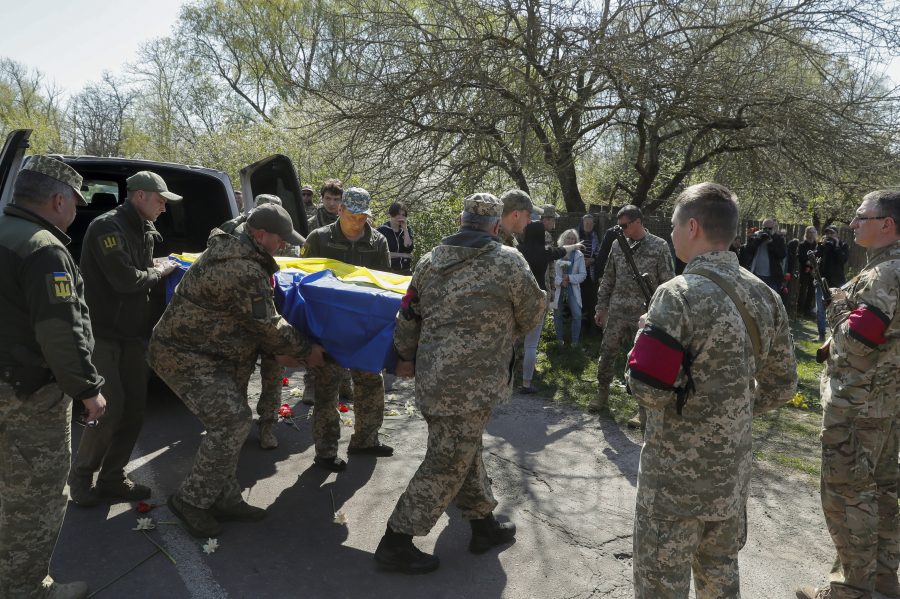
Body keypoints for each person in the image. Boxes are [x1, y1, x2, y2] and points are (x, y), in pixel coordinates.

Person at [626, 182, 797, 599]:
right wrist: (732, 408)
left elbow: (649, 393)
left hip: (673, 485)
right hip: (730, 478)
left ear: (692, 227)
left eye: (672, 225)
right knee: (720, 584)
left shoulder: (677, 294)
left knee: (659, 587)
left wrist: (640, 345)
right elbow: (784, 386)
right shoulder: (765, 295)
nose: (669, 235)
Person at [373, 193, 546, 574]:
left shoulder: (429, 261)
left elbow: (408, 316)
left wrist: (404, 356)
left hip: (435, 380)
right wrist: (506, 328)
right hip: (475, 384)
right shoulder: (508, 261)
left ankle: (483, 526)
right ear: (496, 226)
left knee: (464, 451)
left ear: (462, 221)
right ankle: (395, 541)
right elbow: (533, 312)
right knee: (447, 461)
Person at [148, 204, 325, 537]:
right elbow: (268, 325)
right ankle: (192, 500)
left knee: (232, 423)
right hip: (185, 354)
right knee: (233, 422)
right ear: (259, 235)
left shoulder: (241, 244)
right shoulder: (240, 268)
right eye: (280, 239)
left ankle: (224, 497)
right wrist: (305, 351)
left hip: (218, 352)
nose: (284, 246)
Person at [0, 156, 107, 599]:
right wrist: (87, 390)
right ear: (58, 198)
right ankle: (25, 589)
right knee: (34, 496)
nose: (76, 212)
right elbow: (60, 333)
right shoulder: (44, 248)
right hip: (26, 393)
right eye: (75, 203)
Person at [796, 190, 900, 599]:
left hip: (857, 406)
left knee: (847, 497)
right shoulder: (886, 270)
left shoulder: (883, 274)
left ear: (886, 224)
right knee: (884, 492)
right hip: (887, 405)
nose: (853, 224)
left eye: (861, 217)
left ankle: (849, 589)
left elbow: (859, 341)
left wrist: (838, 309)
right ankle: (883, 582)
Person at [69, 171, 182, 507]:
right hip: (103, 334)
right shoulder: (108, 227)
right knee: (109, 409)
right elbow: (123, 279)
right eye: (160, 200)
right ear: (140, 196)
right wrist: (158, 272)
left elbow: (139, 267)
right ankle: (81, 476)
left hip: (132, 335)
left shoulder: (143, 228)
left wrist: (155, 264)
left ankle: (112, 478)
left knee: (134, 409)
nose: (164, 207)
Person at [299, 187, 392, 471]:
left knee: (371, 385)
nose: (358, 223)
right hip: (327, 330)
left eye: (363, 217)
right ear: (339, 210)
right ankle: (325, 451)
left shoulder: (378, 242)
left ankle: (365, 439)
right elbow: (303, 283)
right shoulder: (319, 238)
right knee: (326, 391)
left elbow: (384, 285)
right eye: (352, 216)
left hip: (365, 331)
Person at [218, 194, 303, 449]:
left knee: (273, 374)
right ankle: (236, 425)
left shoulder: (281, 234)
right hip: (245, 317)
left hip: (272, 308)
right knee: (239, 375)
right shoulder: (232, 231)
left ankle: (267, 425)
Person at [589, 205, 674, 429]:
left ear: (638, 222)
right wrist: (601, 306)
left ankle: (643, 409)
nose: (622, 229)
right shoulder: (618, 244)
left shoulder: (659, 246)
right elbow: (608, 277)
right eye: (620, 225)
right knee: (607, 354)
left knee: (642, 363)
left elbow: (668, 282)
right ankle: (602, 393)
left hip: (643, 314)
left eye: (625, 225)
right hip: (616, 311)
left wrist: (662, 313)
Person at [518, 222, 583, 393]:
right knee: (531, 345)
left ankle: (505, 378)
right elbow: (562, 250)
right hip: (538, 299)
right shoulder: (546, 252)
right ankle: (526, 383)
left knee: (511, 340)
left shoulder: (518, 251)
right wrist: (576, 245)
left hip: (519, 300)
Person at [498, 190, 544, 373]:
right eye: (528, 215)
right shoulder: (495, 242)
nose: (530, 221)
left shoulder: (511, 242)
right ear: (515, 214)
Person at [814, 225, 850, 342]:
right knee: (820, 309)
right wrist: (822, 246)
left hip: (837, 282)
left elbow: (843, 260)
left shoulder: (843, 245)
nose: (829, 236)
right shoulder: (822, 245)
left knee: (838, 309)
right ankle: (821, 334)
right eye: (827, 233)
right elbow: (815, 257)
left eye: (832, 233)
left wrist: (837, 246)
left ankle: (837, 336)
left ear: (837, 235)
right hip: (822, 281)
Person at [553, 229, 587, 345]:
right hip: (558, 288)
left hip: (572, 289)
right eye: (569, 238)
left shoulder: (579, 255)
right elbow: (550, 273)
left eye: (573, 239)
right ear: (563, 239)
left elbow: (583, 275)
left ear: (576, 241)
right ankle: (559, 341)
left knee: (577, 315)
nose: (570, 240)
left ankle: (575, 342)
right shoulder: (556, 252)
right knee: (558, 315)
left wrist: (569, 278)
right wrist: (560, 281)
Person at [741, 218, 787, 292]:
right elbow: (748, 250)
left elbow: (782, 255)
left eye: (770, 228)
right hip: (756, 275)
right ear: (762, 228)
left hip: (772, 277)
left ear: (774, 228)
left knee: (772, 301)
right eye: (765, 228)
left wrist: (771, 244)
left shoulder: (778, 238)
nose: (767, 230)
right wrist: (759, 240)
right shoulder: (756, 236)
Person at [578, 214, 602, 336]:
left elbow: (598, 252)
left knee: (587, 300)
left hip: (588, 274)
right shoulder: (576, 235)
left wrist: (592, 260)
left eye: (591, 223)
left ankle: (586, 327)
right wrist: (580, 262)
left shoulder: (594, 236)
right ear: (582, 223)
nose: (589, 225)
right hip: (575, 274)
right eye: (587, 223)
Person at [377, 201, 415, 275]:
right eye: (398, 214)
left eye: (403, 215)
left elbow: (408, 249)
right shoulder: (382, 230)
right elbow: (381, 253)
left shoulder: (406, 229)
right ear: (391, 215)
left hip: (405, 269)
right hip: (388, 270)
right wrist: (402, 255)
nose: (400, 217)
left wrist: (405, 230)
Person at [798, 226, 818, 319]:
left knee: (812, 291)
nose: (812, 234)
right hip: (804, 270)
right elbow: (800, 257)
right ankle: (800, 310)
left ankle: (808, 310)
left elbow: (819, 257)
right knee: (802, 291)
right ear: (806, 233)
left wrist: (815, 268)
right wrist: (810, 264)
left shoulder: (817, 245)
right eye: (810, 232)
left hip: (814, 271)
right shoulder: (802, 245)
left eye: (813, 232)